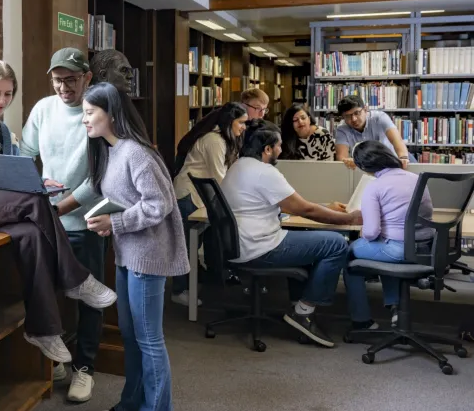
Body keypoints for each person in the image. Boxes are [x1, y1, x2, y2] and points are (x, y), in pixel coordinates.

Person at [0, 60, 116, 364]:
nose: (2, 101)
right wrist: (8, 182)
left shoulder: (1, 128)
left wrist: (41, 182)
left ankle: (42, 329)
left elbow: (16, 170)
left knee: (31, 232)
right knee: (33, 202)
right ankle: (75, 279)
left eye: (8, 94)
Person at [82, 82, 186, 411]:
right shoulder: (111, 151)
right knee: (131, 337)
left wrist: (115, 223)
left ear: (110, 114)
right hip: (128, 254)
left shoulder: (137, 152)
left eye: (89, 113)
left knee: (149, 340)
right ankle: (132, 402)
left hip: (149, 256)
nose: (83, 120)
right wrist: (107, 221)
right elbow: (126, 201)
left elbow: (160, 205)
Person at [221, 119, 359, 347]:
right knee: (336, 243)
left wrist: (325, 207)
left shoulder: (238, 166)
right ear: (267, 149)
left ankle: (298, 304)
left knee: (307, 235)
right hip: (261, 248)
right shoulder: (265, 172)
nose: (282, 149)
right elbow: (304, 209)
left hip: (241, 245)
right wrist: (349, 218)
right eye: (279, 145)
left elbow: (290, 205)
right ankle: (303, 312)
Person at [19, 47, 103, 402]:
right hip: (48, 223)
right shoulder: (42, 109)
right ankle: (55, 360)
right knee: (43, 293)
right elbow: (24, 156)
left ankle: (85, 368)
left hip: (85, 222)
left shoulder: (97, 113)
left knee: (90, 300)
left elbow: (98, 178)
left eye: (71, 80)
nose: (64, 87)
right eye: (58, 80)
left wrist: (60, 208)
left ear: (87, 78)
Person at [343, 141, 433, 330]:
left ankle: (362, 321)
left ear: (363, 166)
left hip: (398, 251)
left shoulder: (374, 187)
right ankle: (396, 309)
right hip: (427, 250)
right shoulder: (417, 179)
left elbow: (371, 232)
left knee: (347, 253)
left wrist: (363, 230)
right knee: (382, 250)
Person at [170, 103, 248, 306]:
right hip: (189, 197)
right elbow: (220, 177)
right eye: (241, 122)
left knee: (193, 245)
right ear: (229, 121)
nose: (244, 127)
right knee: (185, 246)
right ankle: (179, 291)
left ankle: (193, 283)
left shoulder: (225, 139)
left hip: (202, 197)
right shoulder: (214, 140)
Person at [334, 95, 413, 169]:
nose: (353, 119)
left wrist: (403, 157)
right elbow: (341, 157)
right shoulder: (342, 129)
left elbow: (396, 140)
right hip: (366, 167)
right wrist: (348, 161)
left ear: (365, 110)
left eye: (357, 113)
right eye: (348, 116)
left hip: (393, 160)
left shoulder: (380, 118)